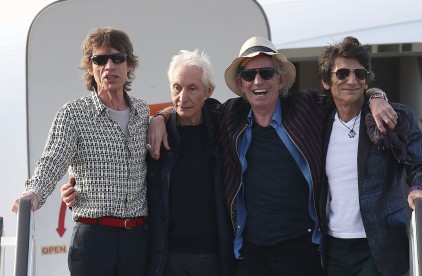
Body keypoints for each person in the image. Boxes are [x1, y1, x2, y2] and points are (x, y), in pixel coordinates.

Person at [148, 36, 397, 276]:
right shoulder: (230, 116)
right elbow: (191, 104)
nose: (258, 81)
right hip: (251, 253)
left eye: (266, 73)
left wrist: (375, 95)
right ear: (242, 84)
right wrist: (161, 117)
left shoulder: (306, 107)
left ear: (280, 80)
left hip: (301, 248)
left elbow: (346, 95)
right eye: (249, 75)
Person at [61, 49, 235, 276]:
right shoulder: (152, 133)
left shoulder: (224, 130)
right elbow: (119, 170)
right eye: (177, 88)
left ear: (208, 91)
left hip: (215, 257)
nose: (183, 97)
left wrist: (163, 114)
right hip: (166, 257)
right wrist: (78, 190)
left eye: (192, 88)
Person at [11, 27, 149, 275]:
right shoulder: (73, 114)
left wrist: (163, 116)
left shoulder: (143, 113)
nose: (110, 66)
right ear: (90, 66)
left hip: (137, 240)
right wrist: (34, 192)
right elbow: (53, 159)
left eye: (118, 58)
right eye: (100, 59)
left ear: (129, 65)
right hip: (93, 238)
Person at [317, 36, 422, 276]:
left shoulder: (393, 116)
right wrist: (377, 95)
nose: (351, 80)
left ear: (366, 81)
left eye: (360, 74)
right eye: (342, 73)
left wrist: (421, 190)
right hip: (333, 248)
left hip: (382, 246)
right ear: (326, 81)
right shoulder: (319, 121)